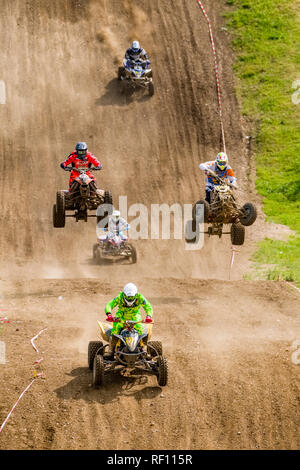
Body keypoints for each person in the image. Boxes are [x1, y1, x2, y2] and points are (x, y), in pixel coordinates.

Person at [104, 283, 153, 358]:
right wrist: (109, 314)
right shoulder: (119, 297)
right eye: (128, 297)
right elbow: (110, 304)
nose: (130, 299)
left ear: (136, 295)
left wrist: (149, 316)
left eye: (131, 297)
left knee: (140, 329)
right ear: (124, 294)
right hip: (121, 316)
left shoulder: (140, 297)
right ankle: (111, 350)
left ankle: (144, 349)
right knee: (115, 330)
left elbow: (148, 307)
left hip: (135, 316)